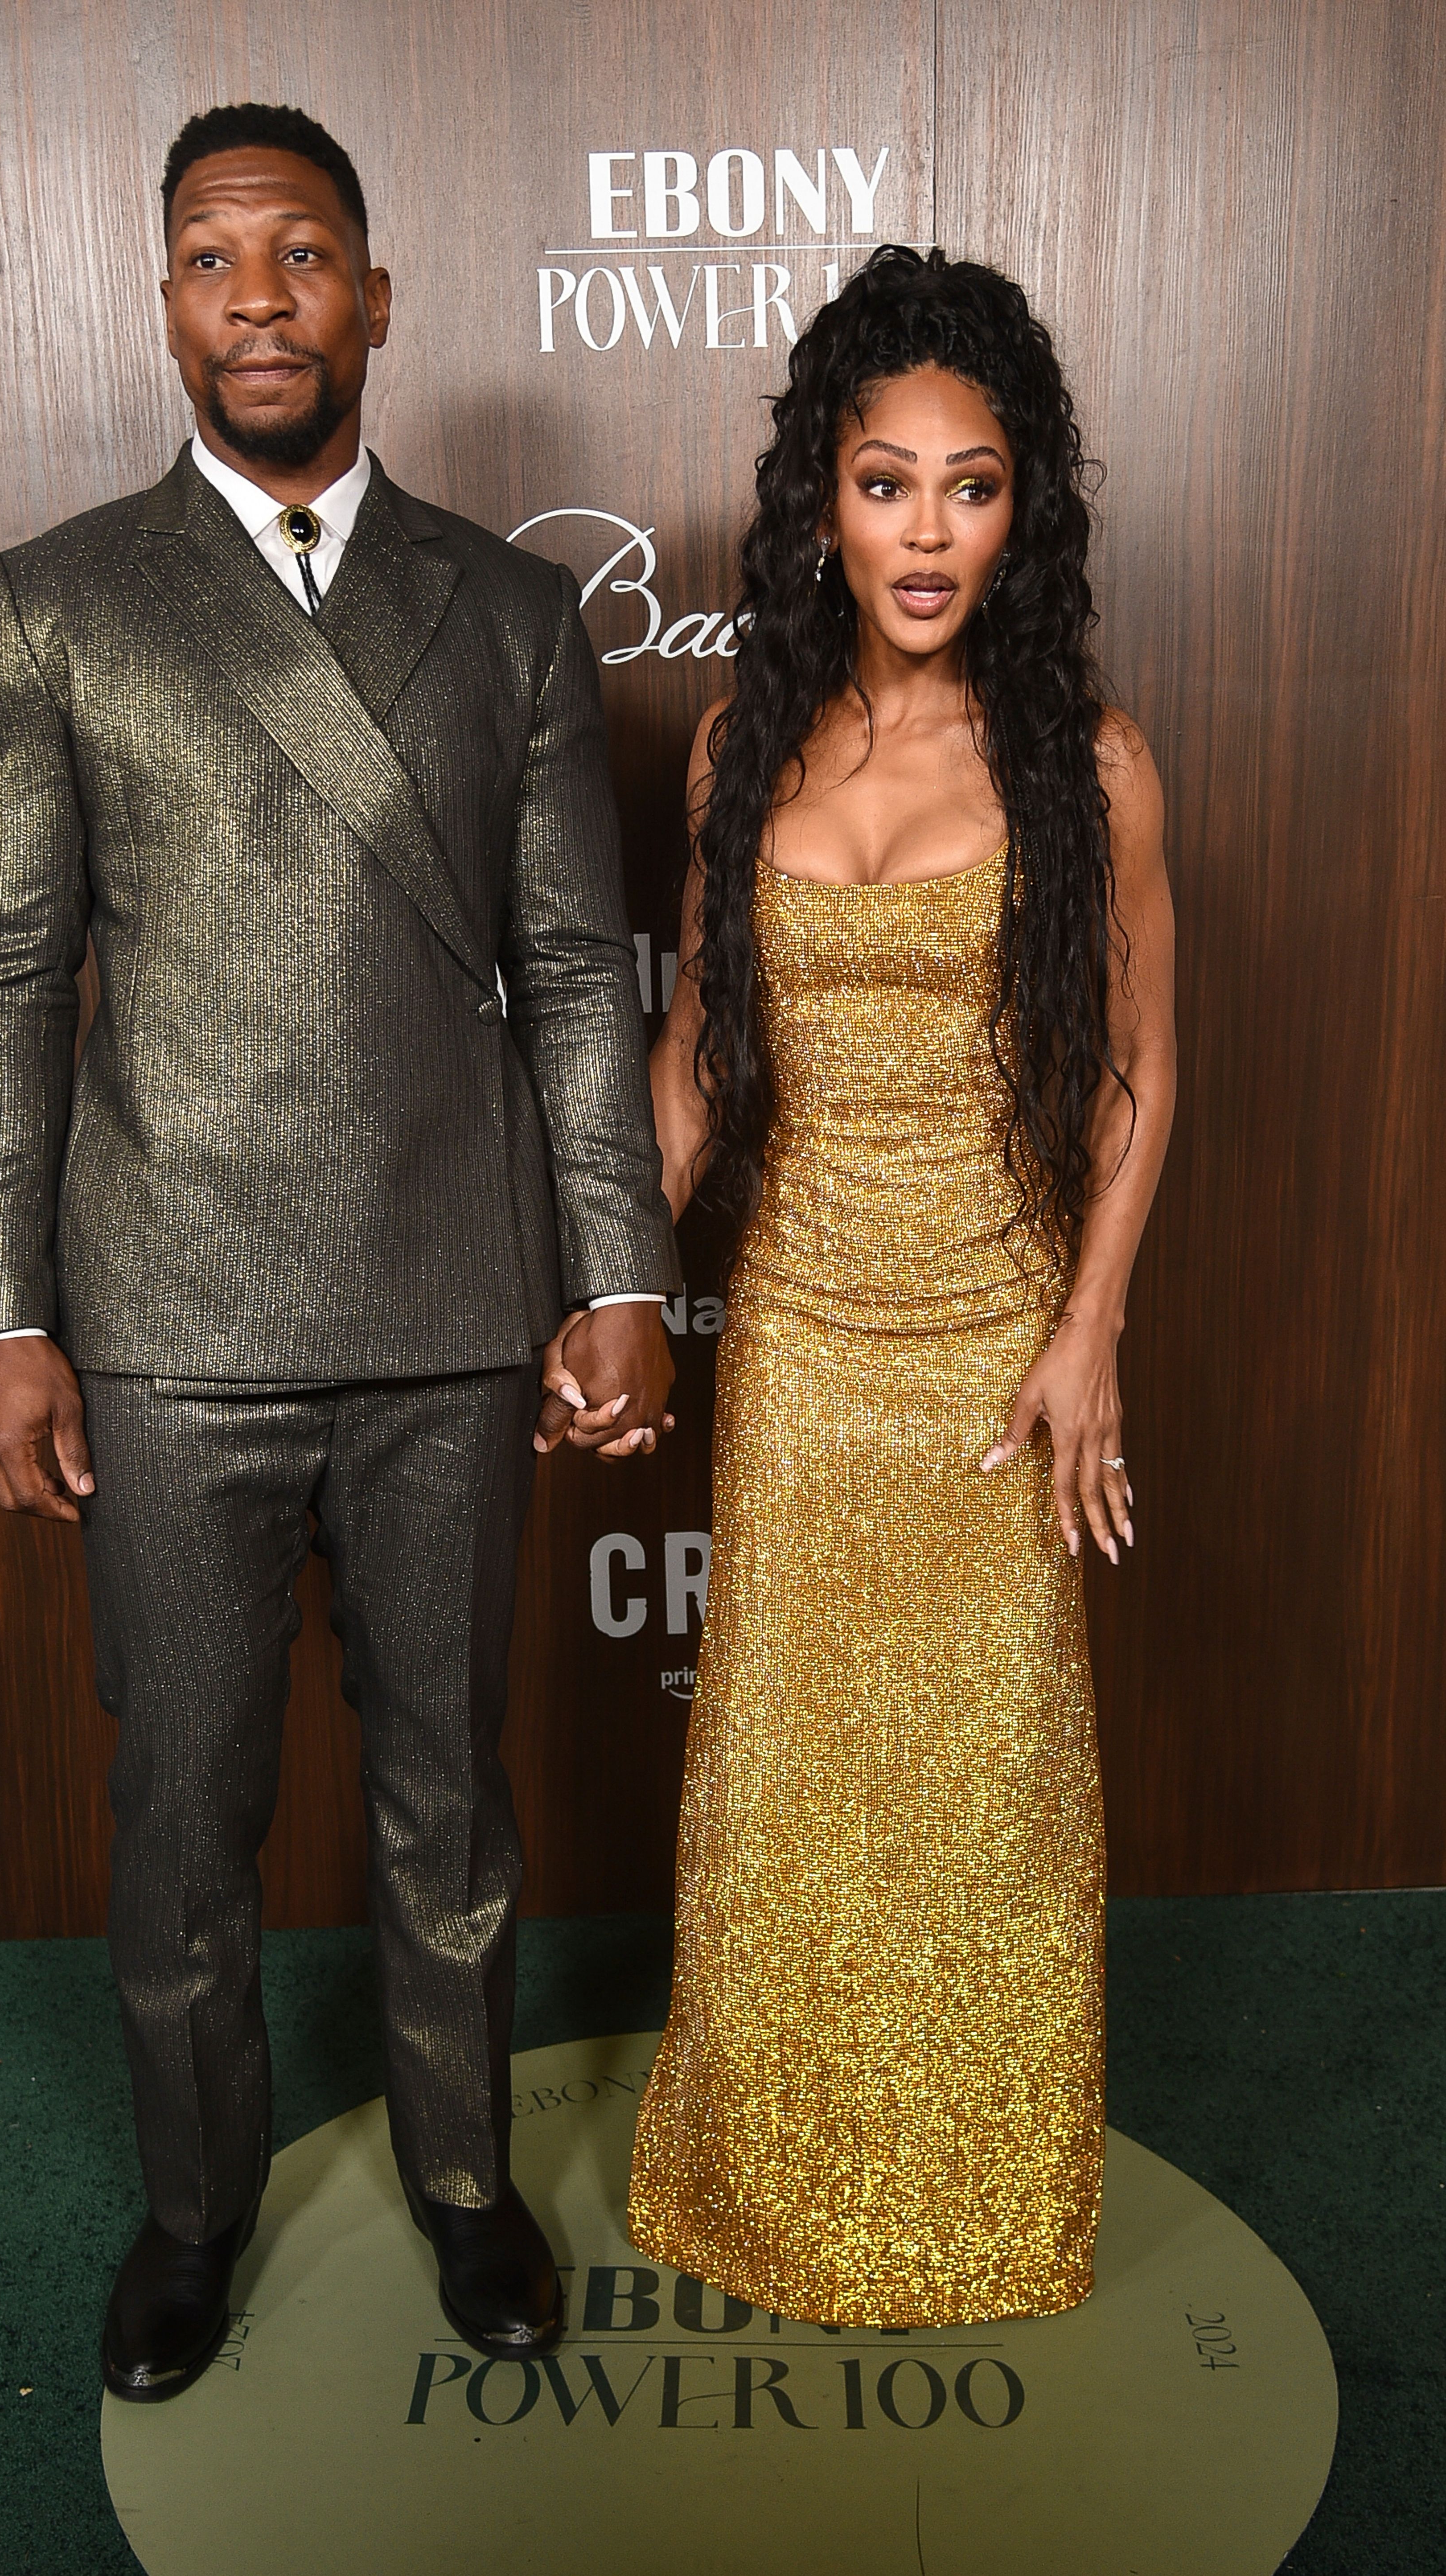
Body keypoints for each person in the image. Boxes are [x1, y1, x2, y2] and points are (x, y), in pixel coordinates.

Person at [0, 100, 678, 2402]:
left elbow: (579, 972)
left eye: (299, 252)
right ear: (166, 305)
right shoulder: (55, 600)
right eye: (207, 257)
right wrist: (7, 1316)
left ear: (377, 293)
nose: (255, 294)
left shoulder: (513, 607)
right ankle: (193, 2206)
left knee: (452, 1788)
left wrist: (619, 1269)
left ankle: (467, 2180)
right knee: (184, 1807)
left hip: (454, 1295)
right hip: (165, 1313)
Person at [616, 247, 1176, 2325]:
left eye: (972, 484)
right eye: (884, 483)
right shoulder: (733, 752)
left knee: (982, 1794)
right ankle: (781, 2191)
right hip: (796, 1337)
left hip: (989, 1347)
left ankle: (980, 2199)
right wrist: (599, 1284)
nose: (927, 531)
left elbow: (1138, 1065)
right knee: (788, 1778)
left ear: (1023, 508)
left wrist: (1091, 1323)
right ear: (821, 502)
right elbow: (695, 1072)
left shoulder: (1090, 762)